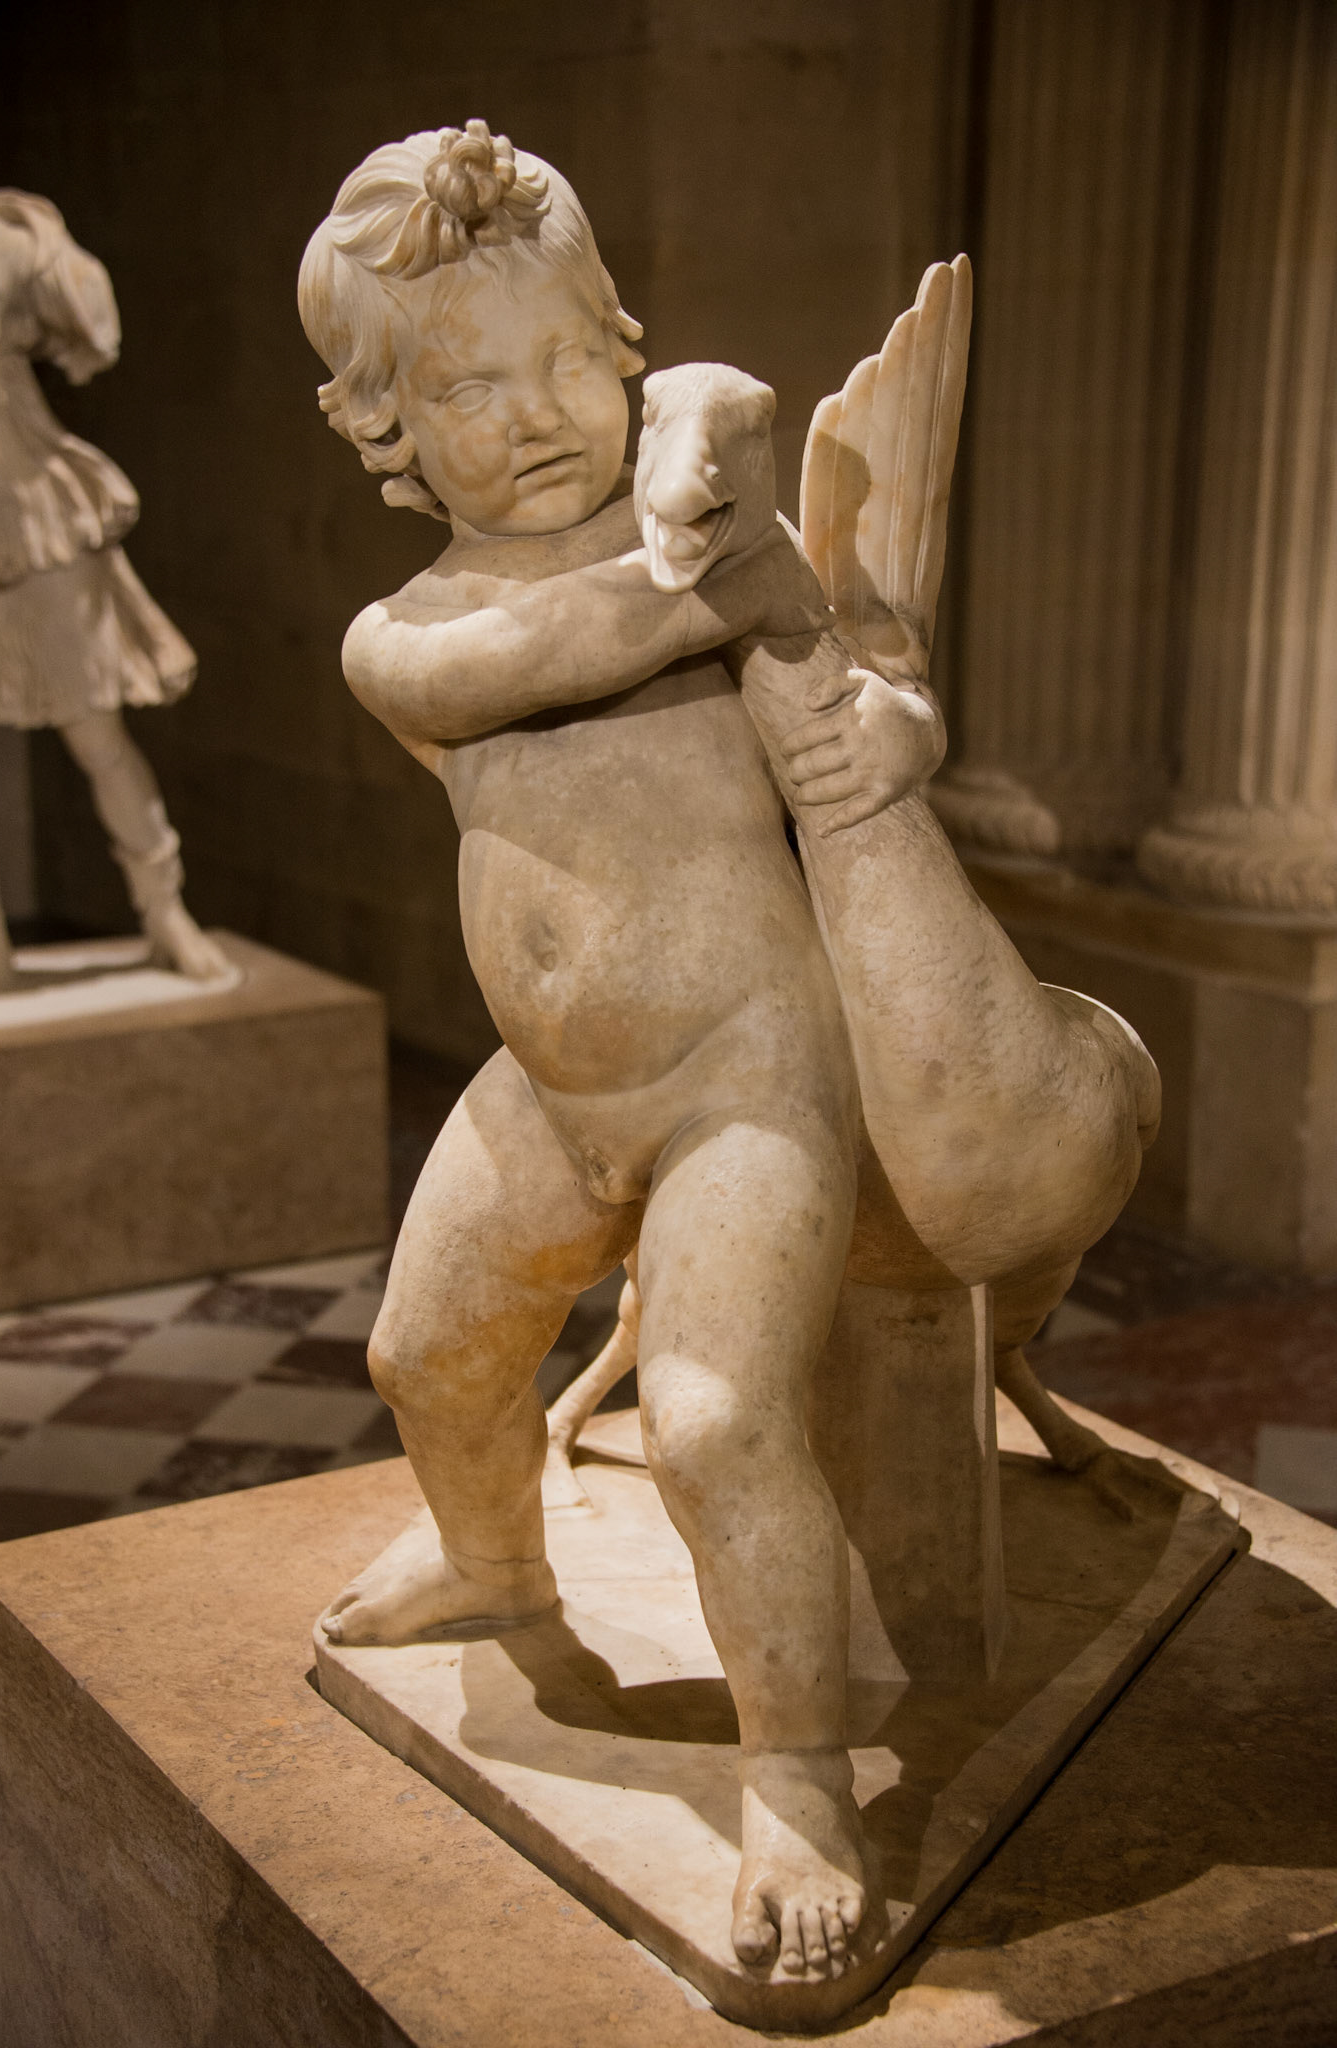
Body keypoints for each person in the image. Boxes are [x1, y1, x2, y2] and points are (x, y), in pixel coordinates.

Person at [297, 119, 957, 1979]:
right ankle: (496, 1564)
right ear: (384, 432)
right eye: (466, 390)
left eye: (574, 362)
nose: (534, 418)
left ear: (621, 338)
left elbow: (869, 658)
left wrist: (887, 724)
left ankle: (802, 1777)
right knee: (423, 1348)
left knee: (717, 1418)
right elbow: (550, 655)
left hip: (747, 1074)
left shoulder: (700, 504)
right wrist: (724, 557)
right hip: (550, 1089)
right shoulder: (406, 637)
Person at [0, 183, 227, 989]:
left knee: (96, 729)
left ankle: (164, 912)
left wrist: (40, 270)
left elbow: (93, 329)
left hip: (23, 503)